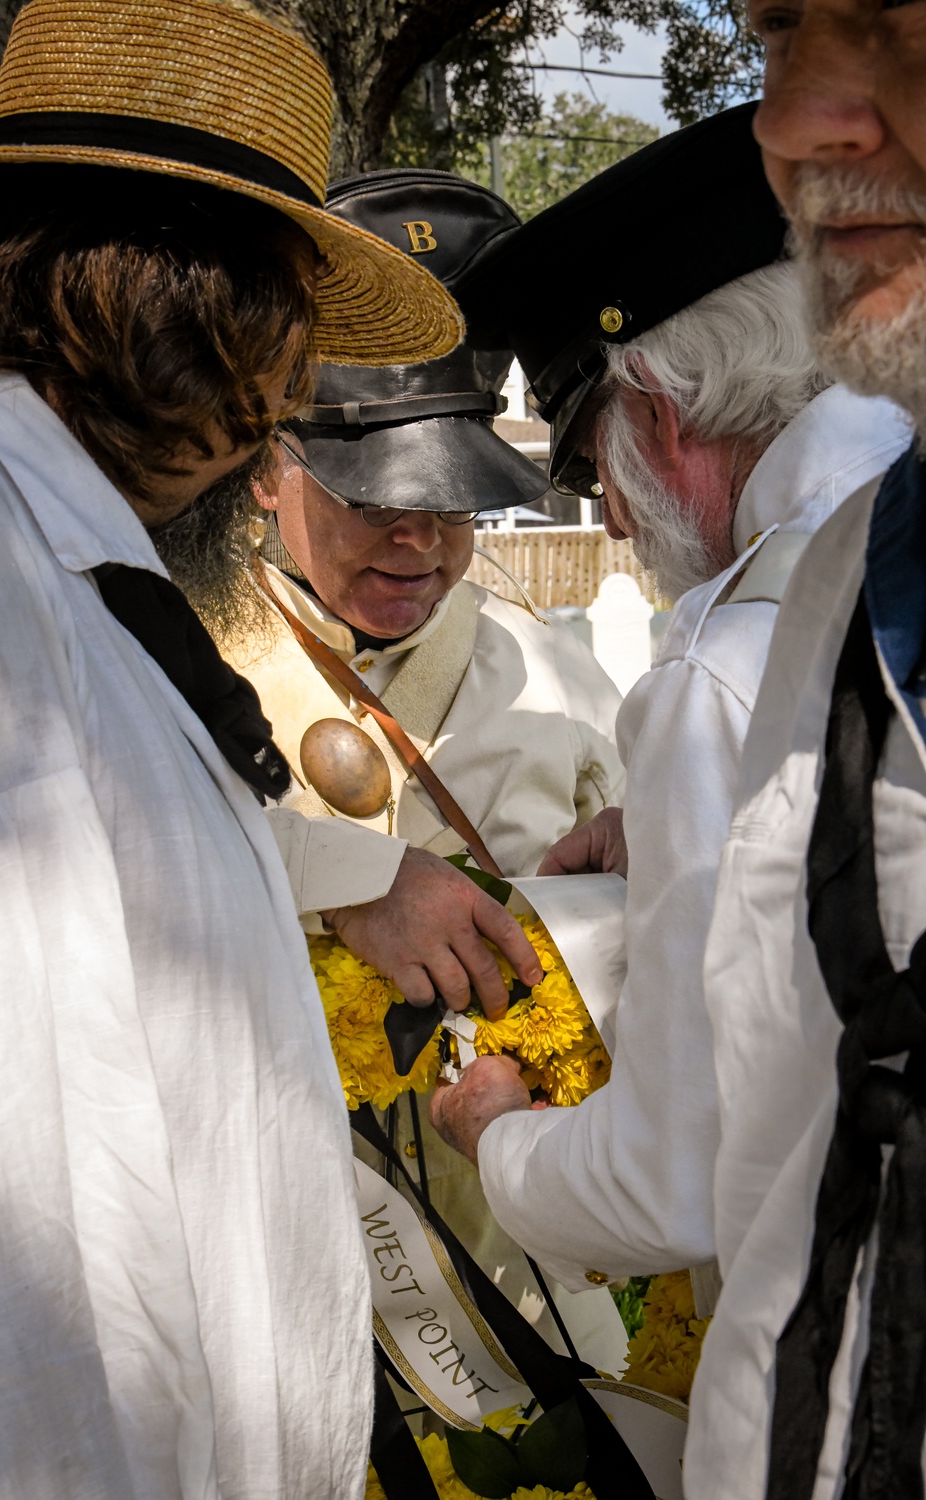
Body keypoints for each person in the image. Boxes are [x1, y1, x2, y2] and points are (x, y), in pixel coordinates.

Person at [0, 4, 544, 1497]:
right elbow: (10, 1252)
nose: (280, 399)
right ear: (221, 319)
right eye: (292, 337)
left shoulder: (39, 550)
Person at [427, 103, 910, 1312]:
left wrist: (498, 1139)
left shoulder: (732, 661)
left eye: (592, 466)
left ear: (663, 409)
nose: (612, 523)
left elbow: (675, 1177)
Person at [236, 167, 626, 1363]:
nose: (419, 537)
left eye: (454, 501)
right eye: (374, 496)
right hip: (275, 1272)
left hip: (529, 1276)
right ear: (265, 468)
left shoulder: (562, 687)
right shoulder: (160, 666)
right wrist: (334, 875)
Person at [682, 13, 926, 1500]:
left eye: (899, 19)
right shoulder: (845, 578)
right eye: (775, 28)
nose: (794, 120)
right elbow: (776, 1161)